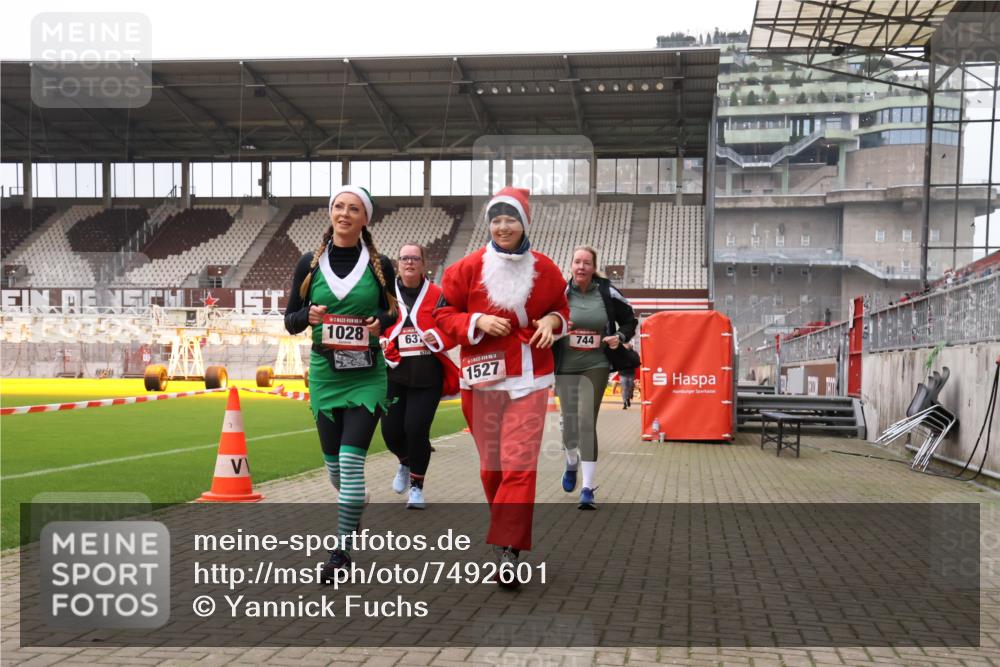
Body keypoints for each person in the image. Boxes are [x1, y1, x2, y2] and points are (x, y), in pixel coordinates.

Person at [434, 187, 569, 589]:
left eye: (511, 219)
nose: (503, 226)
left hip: (530, 378)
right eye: (496, 219)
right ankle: (503, 529)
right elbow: (443, 315)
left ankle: (508, 550)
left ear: (525, 223)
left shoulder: (546, 268)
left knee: (519, 464)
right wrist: (475, 322)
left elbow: (562, 309)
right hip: (482, 379)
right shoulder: (466, 268)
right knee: (492, 467)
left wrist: (552, 324)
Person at [283, 185, 397, 579]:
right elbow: (290, 321)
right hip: (326, 375)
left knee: (351, 463)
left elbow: (393, 314)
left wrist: (379, 324)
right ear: (330, 213)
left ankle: (341, 554)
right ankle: (353, 504)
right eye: (338, 207)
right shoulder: (308, 264)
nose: (344, 214)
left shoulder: (382, 264)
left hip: (366, 374)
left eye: (353, 209)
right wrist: (308, 317)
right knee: (334, 468)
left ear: (365, 219)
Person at [553, 246, 638, 509]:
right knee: (570, 426)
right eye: (577, 262)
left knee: (587, 421)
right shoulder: (561, 293)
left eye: (586, 263)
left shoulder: (607, 292)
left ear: (593, 267)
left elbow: (629, 321)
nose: (581, 267)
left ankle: (588, 488)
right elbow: (546, 318)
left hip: (597, 363)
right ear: (571, 266)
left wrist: (620, 337)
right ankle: (571, 463)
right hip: (566, 364)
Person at [379, 244, 460, 509]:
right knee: (390, 433)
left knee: (416, 430)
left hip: (427, 377)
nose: (409, 262)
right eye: (404, 258)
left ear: (424, 264)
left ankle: (417, 486)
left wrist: (436, 337)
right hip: (394, 374)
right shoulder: (385, 294)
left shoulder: (438, 294)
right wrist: (381, 341)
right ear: (397, 263)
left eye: (415, 258)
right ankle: (404, 461)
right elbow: (375, 322)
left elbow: (451, 327)